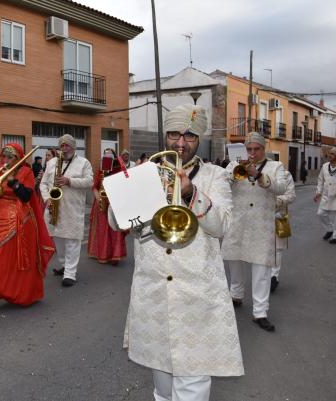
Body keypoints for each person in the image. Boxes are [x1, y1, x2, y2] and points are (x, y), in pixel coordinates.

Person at [109, 104, 243, 401]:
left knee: (192, 384)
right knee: (163, 384)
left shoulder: (214, 176)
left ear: (200, 140)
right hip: (153, 292)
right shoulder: (145, 173)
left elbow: (223, 225)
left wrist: (190, 194)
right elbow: (116, 222)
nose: (180, 143)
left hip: (197, 295)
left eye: (190, 136)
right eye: (174, 135)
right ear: (165, 135)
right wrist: (123, 193)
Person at [0, 143, 55, 311]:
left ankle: (20, 294)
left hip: (20, 221)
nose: (6, 159)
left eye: (10, 156)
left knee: (15, 261)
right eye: (4, 156)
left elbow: (26, 196)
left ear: (19, 158)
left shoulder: (26, 172)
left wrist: (14, 182)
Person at [222, 132, 287, 332]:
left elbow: (281, 187)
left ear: (263, 148)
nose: (252, 153)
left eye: (256, 149)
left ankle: (260, 312)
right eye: (249, 149)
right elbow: (222, 184)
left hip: (261, 225)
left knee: (261, 270)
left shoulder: (276, 167)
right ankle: (236, 295)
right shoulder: (234, 165)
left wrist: (259, 175)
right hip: (238, 222)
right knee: (234, 262)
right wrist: (234, 173)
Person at [40, 134, 93, 287]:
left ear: (73, 147)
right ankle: (64, 265)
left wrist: (69, 181)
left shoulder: (84, 162)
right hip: (53, 207)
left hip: (73, 209)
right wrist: (47, 199)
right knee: (58, 240)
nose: (64, 148)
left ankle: (70, 273)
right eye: (62, 145)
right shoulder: (51, 163)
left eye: (67, 145)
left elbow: (90, 182)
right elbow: (43, 184)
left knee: (72, 241)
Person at [87, 148, 127, 265]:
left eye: (110, 155)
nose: (108, 157)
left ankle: (115, 255)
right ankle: (104, 254)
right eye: (106, 155)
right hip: (101, 203)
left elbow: (125, 184)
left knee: (115, 229)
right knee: (103, 230)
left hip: (115, 203)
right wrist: (98, 197)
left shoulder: (119, 169)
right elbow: (95, 186)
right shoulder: (101, 170)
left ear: (114, 157)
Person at [271, 170, 296, 292]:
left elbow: (291, 196)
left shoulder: (285, 174)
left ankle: (273, 276)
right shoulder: (254, 173)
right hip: (259, 217)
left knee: (278, 248)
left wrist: (277, 200)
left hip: (280, 215)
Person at [314, 147, 336, 244]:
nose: (329, 155)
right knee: (320, 213)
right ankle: (330, 229)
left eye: (332, 154)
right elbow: (320, 180)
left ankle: (335, 236)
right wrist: (318, 192)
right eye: (329, 153)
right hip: (326, 195)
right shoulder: (325, 166)